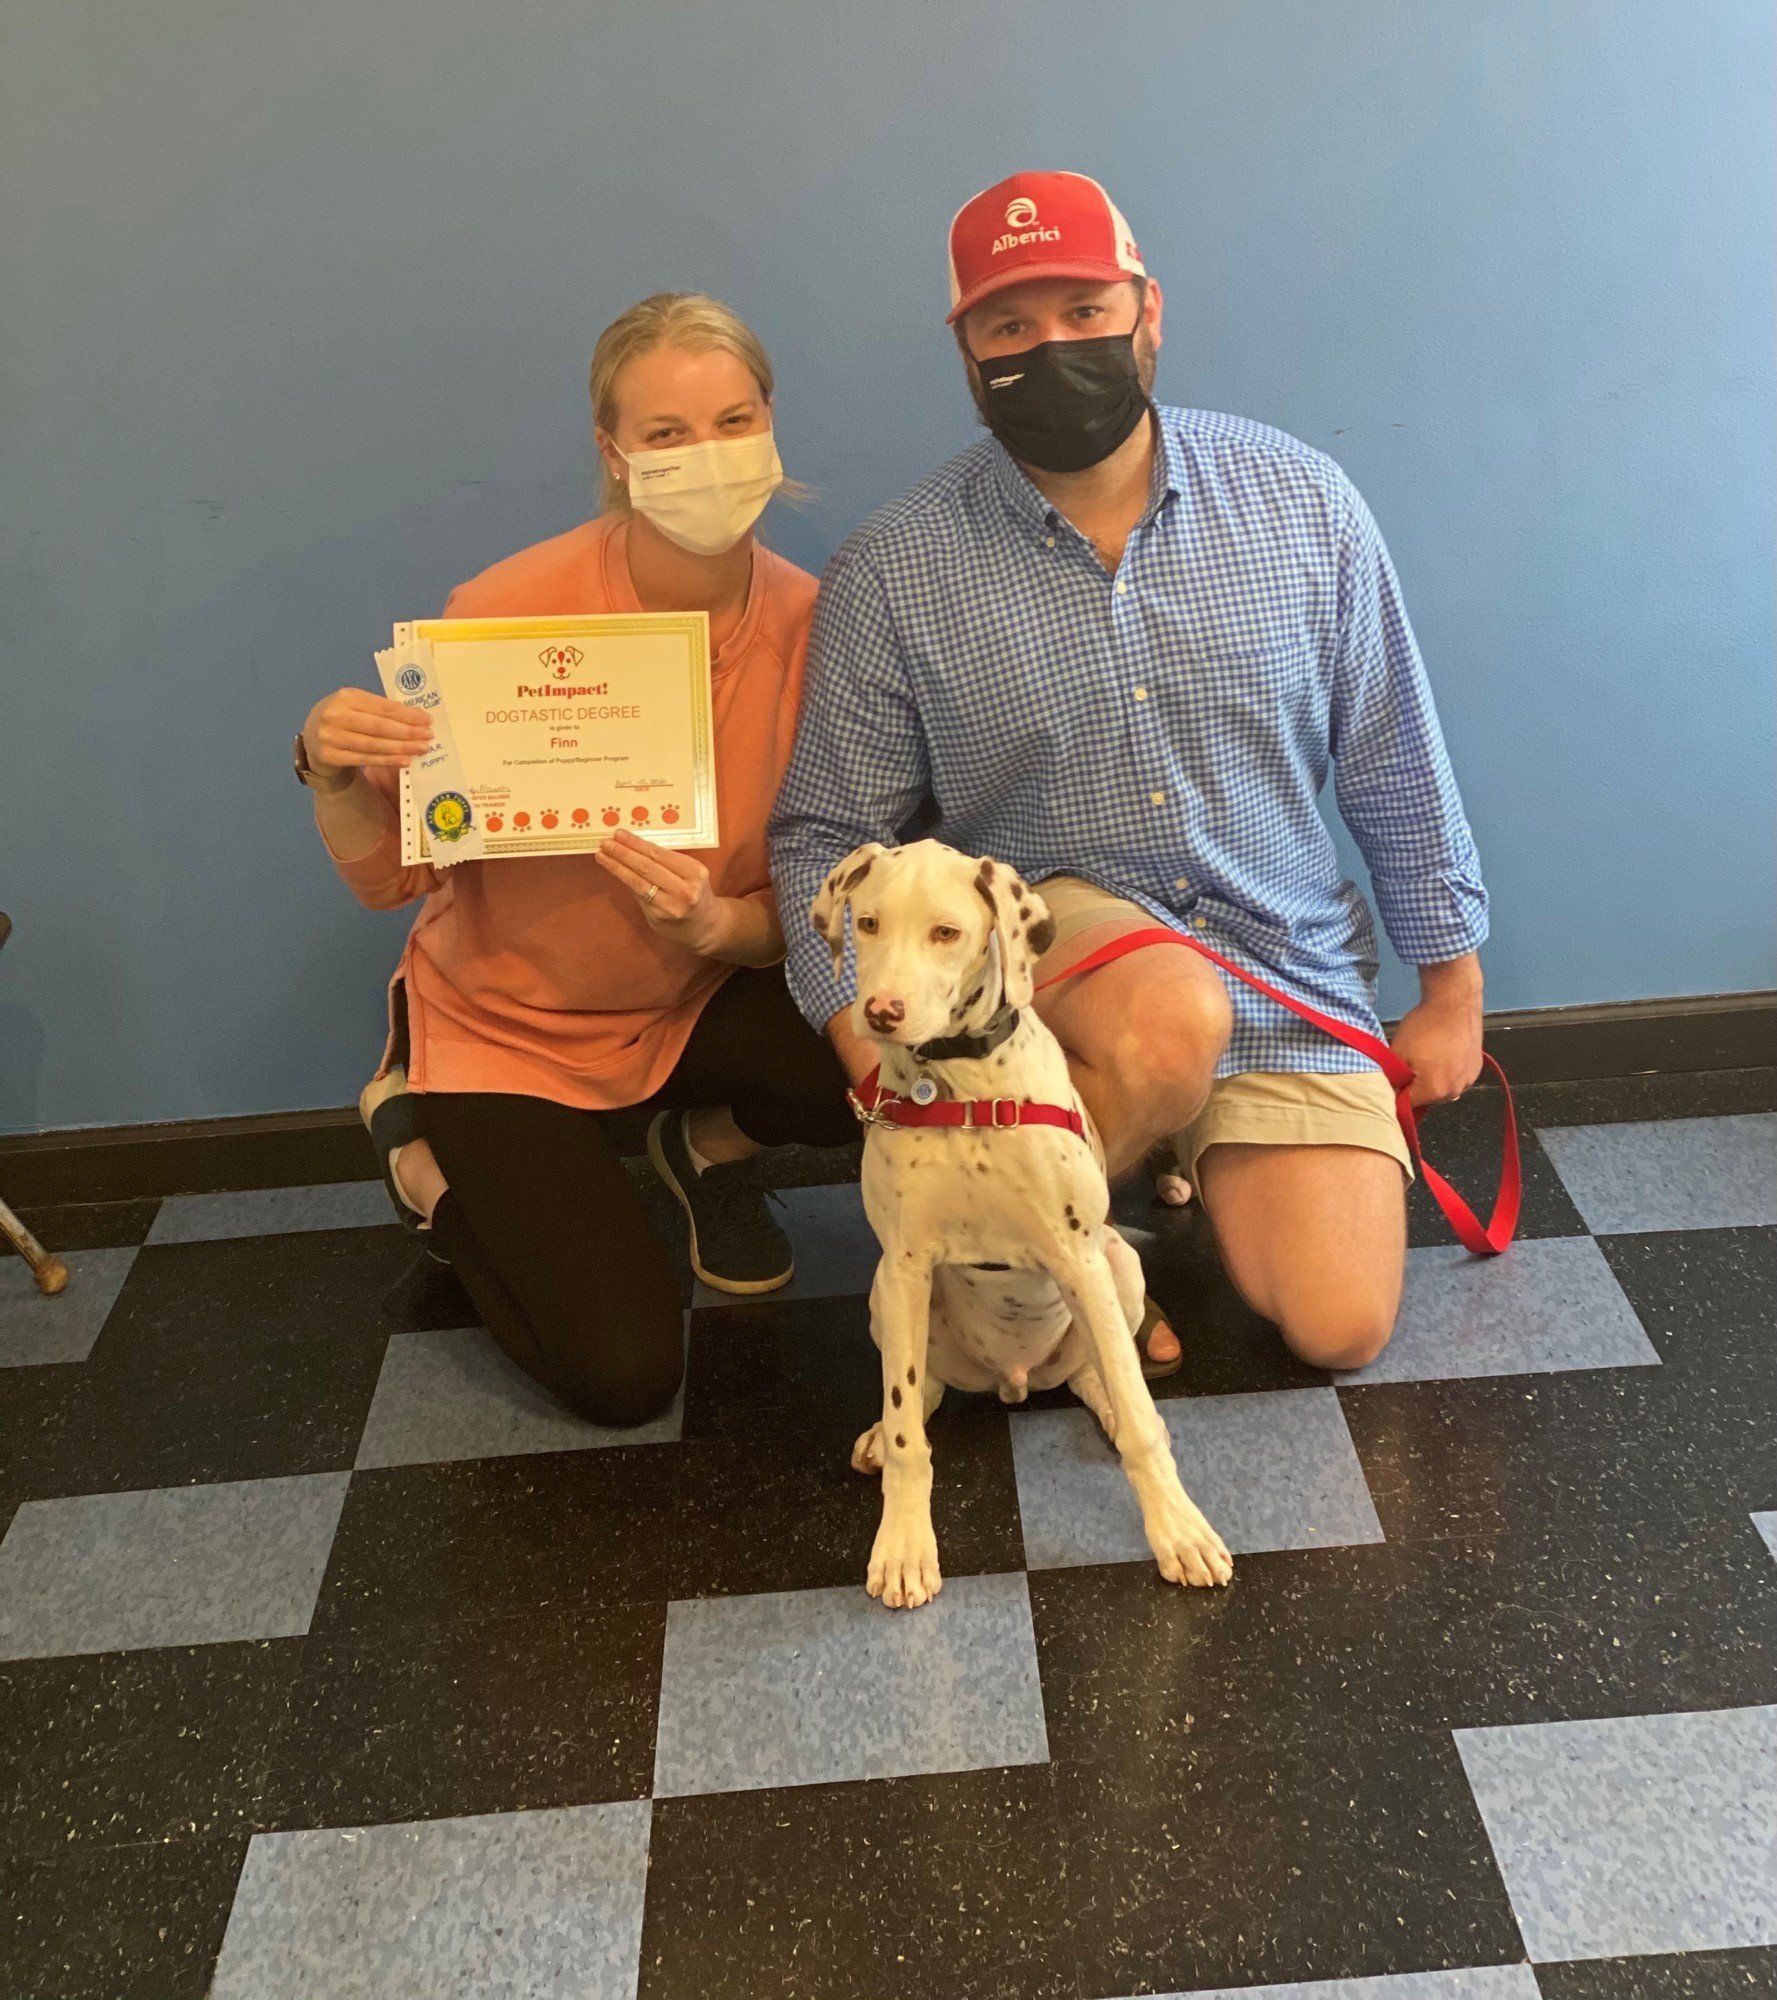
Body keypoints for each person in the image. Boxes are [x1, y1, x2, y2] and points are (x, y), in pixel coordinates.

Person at [769, 171, 1489, 1375]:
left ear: (1147, 311)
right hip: (1067, 960)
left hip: (1282, 955)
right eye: (1009, 326)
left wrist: (1452, 991)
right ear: (967, 354)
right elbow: (823, 831)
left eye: (1084, 311)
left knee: (1339, 1323)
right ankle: (1050, 1263)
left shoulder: (1301, 501)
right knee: (1169, 1027)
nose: (1051, 346)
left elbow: (1392, 757)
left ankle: (1162, 1150)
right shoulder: (894, 567)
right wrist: (868, 1063)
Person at [297, 292, 854, 1426]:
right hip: (508, 1032)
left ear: (771, 425)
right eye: (665, 434)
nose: (707, 457)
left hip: (693, 1001)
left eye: (732, 420)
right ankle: (421, 1157)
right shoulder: (504, 614)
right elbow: (390, 875)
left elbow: (822, 889)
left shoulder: (820, 625)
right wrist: (325, 767)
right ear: (612, 453)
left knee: (883, 1043)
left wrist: (722, 928)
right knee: (621, 1375)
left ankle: (693, 1149)